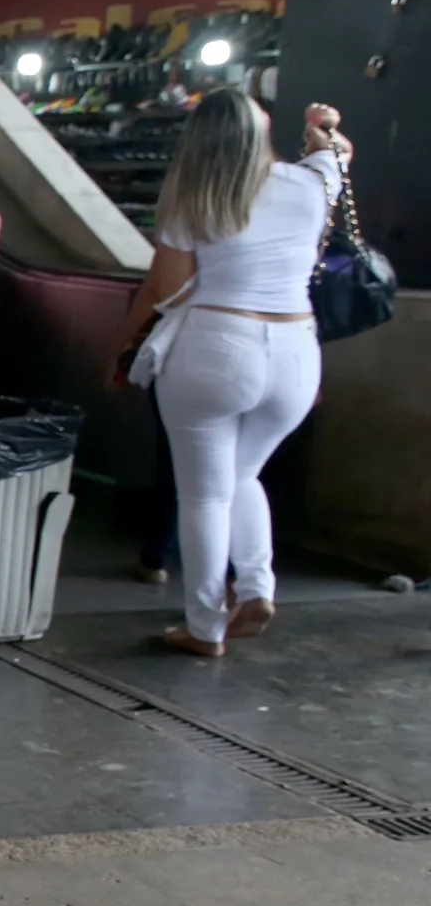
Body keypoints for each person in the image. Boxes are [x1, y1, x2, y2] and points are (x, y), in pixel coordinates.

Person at [112, 92, 344, 658]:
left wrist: (123, 346)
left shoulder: (192, 196)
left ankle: (204, 626)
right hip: (295, 350)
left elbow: (168, 288)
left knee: (205, 497)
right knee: (244, 475)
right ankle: (258, 586)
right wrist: (325, 130)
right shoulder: (313, 182)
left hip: (215, 347)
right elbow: (339, 153)